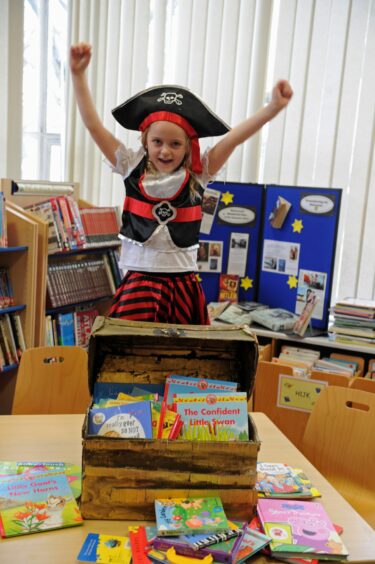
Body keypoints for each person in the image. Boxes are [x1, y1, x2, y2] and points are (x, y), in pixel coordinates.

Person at [70, 42, 293, 325]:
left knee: (186, 359)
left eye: (175, 144)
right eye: (157, 142)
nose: (165, 151)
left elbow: (234, 138)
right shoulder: (129, 166)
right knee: (130, 356)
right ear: (145, 141)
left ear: (188, 147)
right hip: (139, 281)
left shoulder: (199, 175)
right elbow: (93, 126)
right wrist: (78, 76)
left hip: (183, 284)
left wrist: (272, 107)